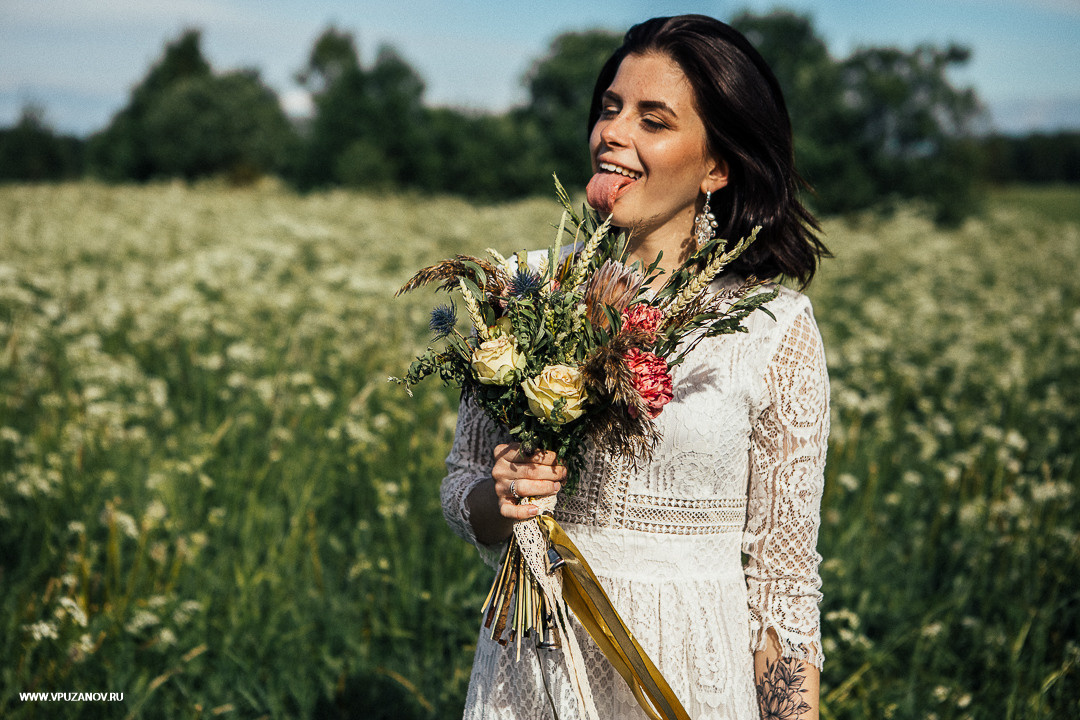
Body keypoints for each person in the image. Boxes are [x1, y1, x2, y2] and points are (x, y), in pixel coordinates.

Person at [441, 15, 830, 720]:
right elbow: (462, 490)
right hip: (538, 669)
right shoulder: (528, 290)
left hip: (687, 678)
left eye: (653, 119)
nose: (612, 132)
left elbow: (783, 588)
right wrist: (499, 502)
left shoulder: (774, 328)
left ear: (717, 166)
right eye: (611, 108)